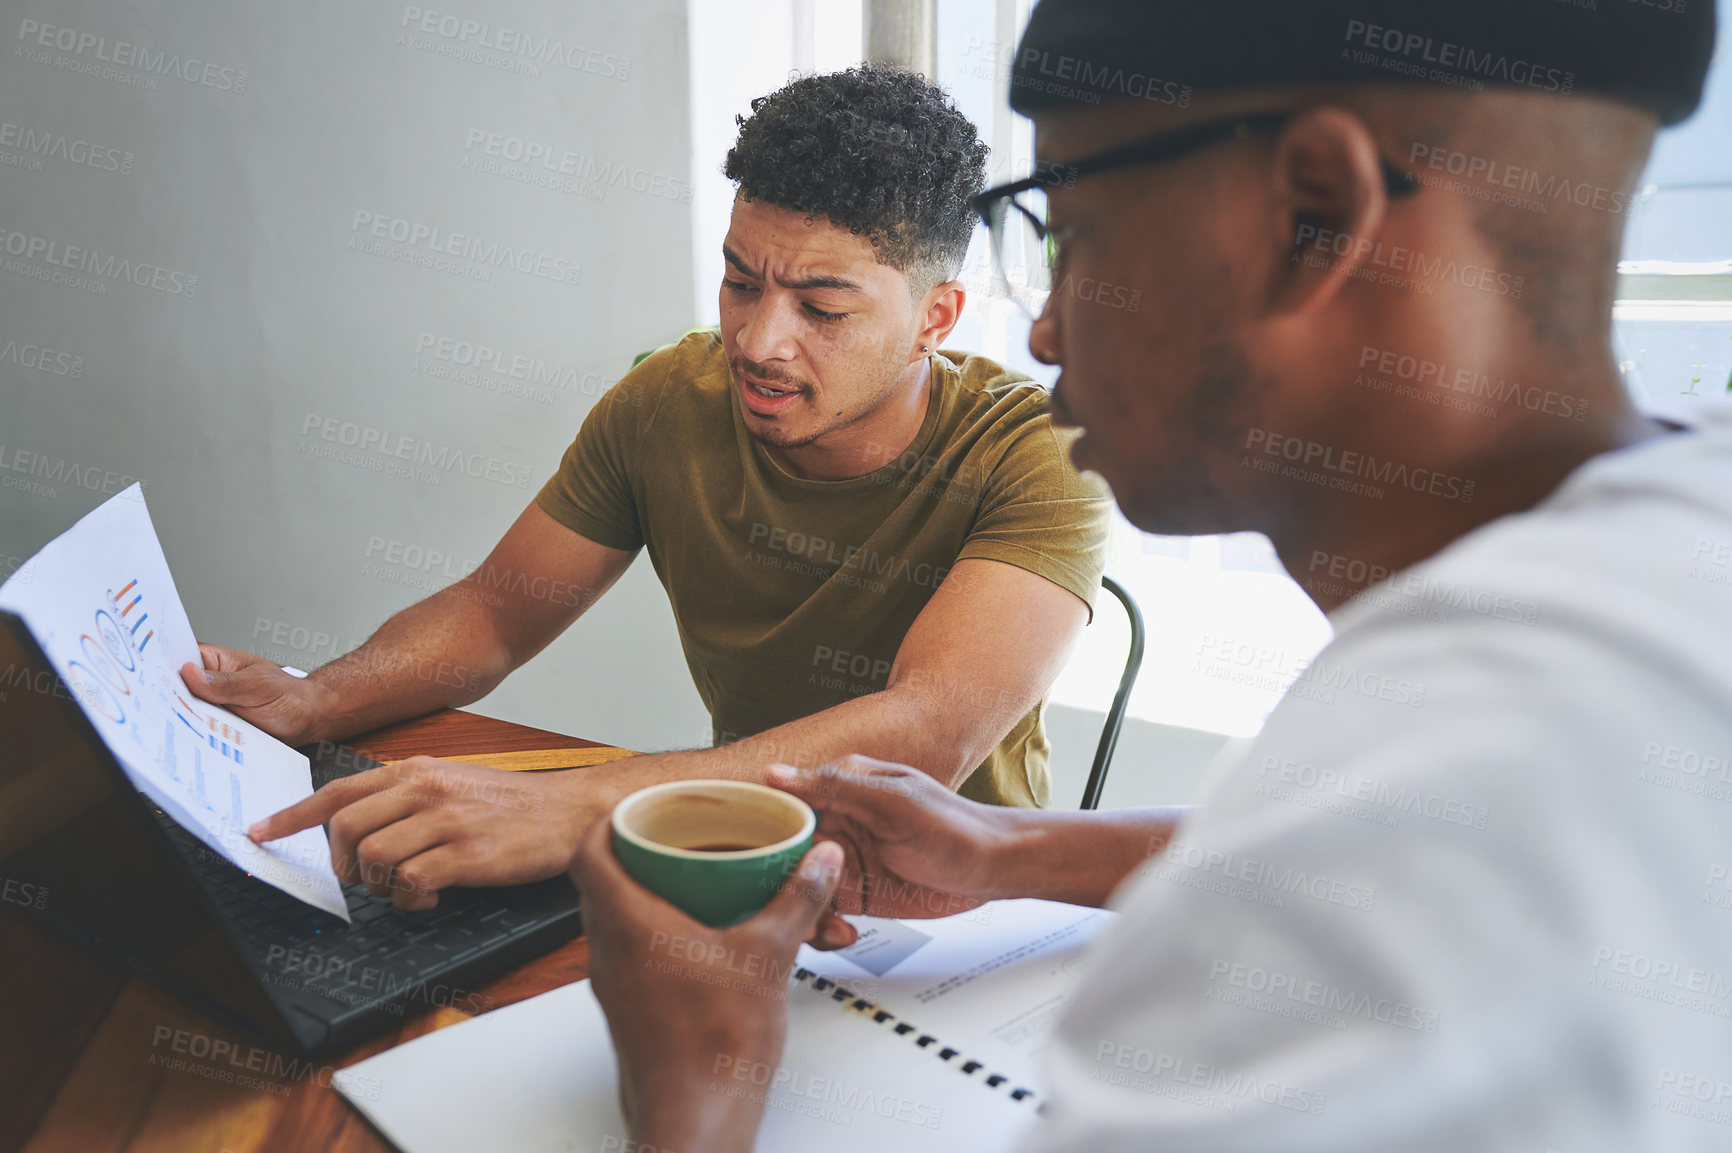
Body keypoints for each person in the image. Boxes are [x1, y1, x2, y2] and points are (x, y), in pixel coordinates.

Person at [568, 2, 1732, 1149]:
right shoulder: (1674, 538)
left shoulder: (1370, 890)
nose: (1048, 333)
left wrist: (694, 1092)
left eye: (1071, 233)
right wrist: (1012, 853)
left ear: (1313, 216)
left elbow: (1375, 857)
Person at [185, 66, 1112, 910]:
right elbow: (495, 613)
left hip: (949, 909)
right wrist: (315, 700)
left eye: (821, 310)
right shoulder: (669, 400)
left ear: (933, 319)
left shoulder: (1040, 452)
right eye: (740, 282)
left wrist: (580, 805)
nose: (758, 340)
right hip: (724, 861)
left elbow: (926, 730)